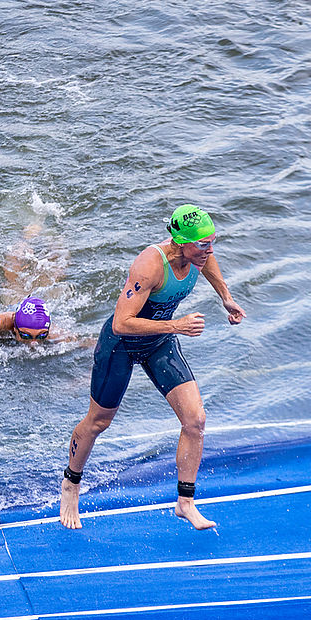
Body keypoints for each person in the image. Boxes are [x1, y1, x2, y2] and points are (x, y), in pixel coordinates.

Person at [59, 204, 244, 530]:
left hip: (158, 342)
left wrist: (225, 297)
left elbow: (208, 260)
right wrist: (176, 326)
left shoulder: (197, 255)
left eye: (212, 241)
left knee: (195, 420)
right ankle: (71, 483)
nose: (209, 250)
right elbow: (121, 323)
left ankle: (185, 501)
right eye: (202, 244)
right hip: (122, 345)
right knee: (98, 422)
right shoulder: (149, 267)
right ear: (180, 243)